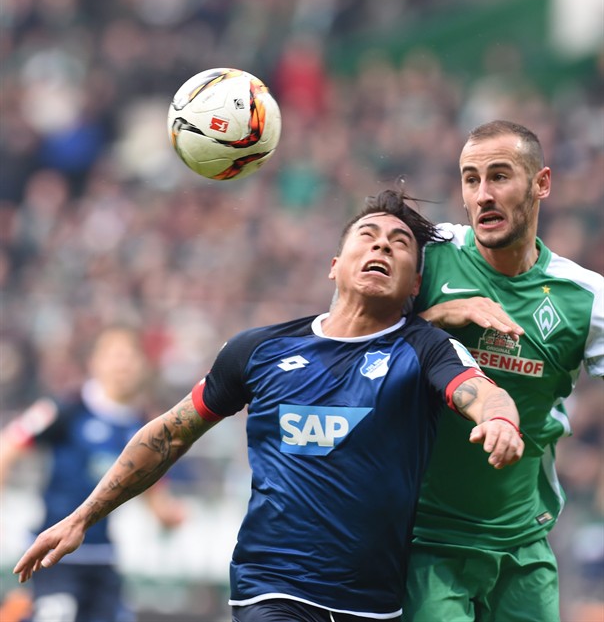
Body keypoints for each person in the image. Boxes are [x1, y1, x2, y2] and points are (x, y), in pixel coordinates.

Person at [12, 189, 524, 621]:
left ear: (415, 283)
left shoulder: (424, 348)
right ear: (334, 266)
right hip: (270, 586)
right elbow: (169, 434)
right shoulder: (259, 350)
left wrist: (499, 420)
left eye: (400, 243)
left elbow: (479, 392)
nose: (382, 247)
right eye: (367, 236)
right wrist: (82, 517)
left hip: (372, 602)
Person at [403, 120, 604, 622]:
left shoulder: (586, 298)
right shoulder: (427, 255)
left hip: (524, 545)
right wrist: (432, 320)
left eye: (499, 176)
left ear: (542, 184)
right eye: (471, 179)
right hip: (426, 543)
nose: (483, 195)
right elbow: (351, 351)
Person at [0, 325, 185, 622]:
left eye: (129, 357)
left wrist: (166, 513)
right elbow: (8, 446)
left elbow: (147, 485)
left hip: (102, 557)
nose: (122, 365)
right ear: (95, 362)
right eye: (115, 356)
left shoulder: (142, 425)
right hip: (54, 555)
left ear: (141, 366)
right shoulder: (66, 408)